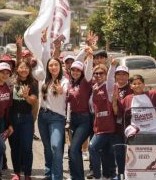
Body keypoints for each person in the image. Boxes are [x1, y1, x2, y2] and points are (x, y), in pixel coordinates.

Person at [38, 58, 69, 180]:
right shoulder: (44, 80)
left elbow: (65, 91)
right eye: (50, 65)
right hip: (43, 116)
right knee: (47, 147)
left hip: (57, 118)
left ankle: (57, 176)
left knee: (56, 146)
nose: (53, 67)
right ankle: (48, 174)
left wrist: (61, 91)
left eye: (56, 65)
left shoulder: (64, 81)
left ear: (60, 67)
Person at [119, 73, 156, 145]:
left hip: (153, 133)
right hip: (136, 136)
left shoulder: (151, 95)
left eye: (139, 83)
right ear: (131, 86)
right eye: (134, 84)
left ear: (143, 85)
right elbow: (118, 111)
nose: (137, 85)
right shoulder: (127, 99)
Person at [8, 60, 38, 180]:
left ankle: (27, 174)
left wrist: (26, 96)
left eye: (26, 68)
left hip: (26, 118)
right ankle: (16, 173)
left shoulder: (33, 83)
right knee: (14, 146)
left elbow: (33, 101)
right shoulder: (11, 82)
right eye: (21, 67)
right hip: (13, 118)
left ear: (29, 70)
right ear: (17, 69)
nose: (24, 70)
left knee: (26, 147)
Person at [88, 59, 117, 180]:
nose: (98, 75)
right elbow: (91, 107)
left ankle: (97, 175)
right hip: (98, 126)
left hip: (107, 127)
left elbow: (111, 79)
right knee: (105, 152)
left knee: (92, 147)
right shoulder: (94, 87)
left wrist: (112, 66)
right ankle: (107, 175)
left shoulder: (108, 87)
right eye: (96, 73)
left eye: (101, 73)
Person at [67, 52, 93, 180]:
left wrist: (89, 56)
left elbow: (88, 70)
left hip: (84, 119)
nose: (75, 72)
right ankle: (75, 176)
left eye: (78, 70)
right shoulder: (70, 83)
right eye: (73, 70)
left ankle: (78, 177)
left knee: (74, 148)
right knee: (73, 150)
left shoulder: (86, 82)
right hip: (72, 119)